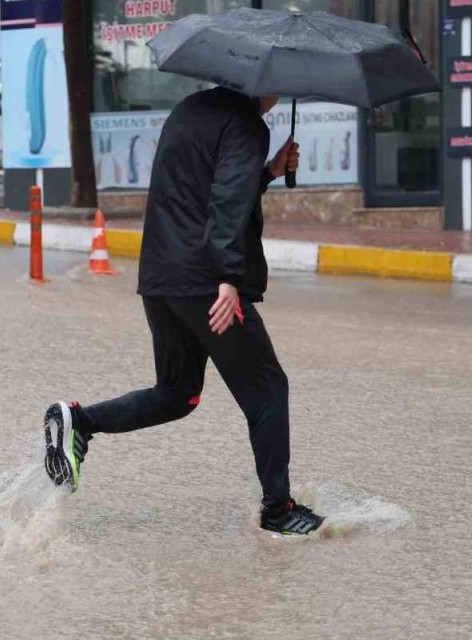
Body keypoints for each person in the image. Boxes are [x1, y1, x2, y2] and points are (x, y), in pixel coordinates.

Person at [43, 86, 323, 536]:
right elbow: (226, 202)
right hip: (206, 282)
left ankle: (81, 420)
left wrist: (268, 172)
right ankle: (278, 511)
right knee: (268, 388)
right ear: (263, 85)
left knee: (177, 392)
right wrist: (230, 278)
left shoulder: (191, 109)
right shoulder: (247, 123)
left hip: (160, 277)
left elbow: (201, 189)